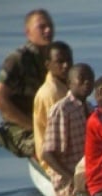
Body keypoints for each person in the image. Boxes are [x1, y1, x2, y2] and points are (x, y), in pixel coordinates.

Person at [0, 9, 54, 157]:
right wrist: (33, 126)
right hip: (22, 127)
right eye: (42, 27)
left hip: (47, 123)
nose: (48, 30)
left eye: (50, 25)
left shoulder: (54, 57)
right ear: (28, 32)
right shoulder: (17, 60)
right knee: (50, 147)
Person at [42, 63, 95, 196]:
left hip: (84, 174)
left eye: (90, 78)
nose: (87, 82)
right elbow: (47, 154)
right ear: (69, 83)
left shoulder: (89, 108)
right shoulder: (62, 109)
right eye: (82, 78)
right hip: (68, 178)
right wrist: (71, 178)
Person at [33, 41, 73, 171]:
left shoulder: (68, 84)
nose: (66, 66)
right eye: (60, 62)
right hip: (55, 162)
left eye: (69, 61)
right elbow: (57, 137)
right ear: (48, 65)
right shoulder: (50, 93)